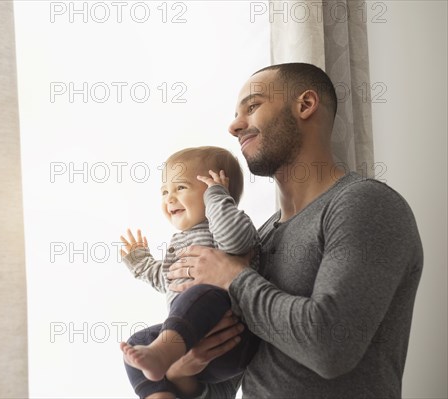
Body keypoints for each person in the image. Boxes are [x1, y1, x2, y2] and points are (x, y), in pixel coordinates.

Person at [160, 63, 424, 398]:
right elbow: (231, 381)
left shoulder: (365, 205)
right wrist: (185, 373)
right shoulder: (264, 233)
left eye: (252, 107)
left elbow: (330, 348)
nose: (234, 125)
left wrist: (233, 277)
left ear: (305, 105)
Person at [119, 146, 261, 398]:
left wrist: (217, 198)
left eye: (181, 188)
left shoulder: (227, 226)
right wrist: (141, 262)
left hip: (231, 339)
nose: (169, 198)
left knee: (205, 292)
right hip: (187, 347)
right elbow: (167, 280)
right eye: (164, 191)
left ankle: (162, 353)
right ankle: (159, 394)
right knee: (136, 342)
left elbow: (235, 242)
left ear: (216, 190)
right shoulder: (179, 243)